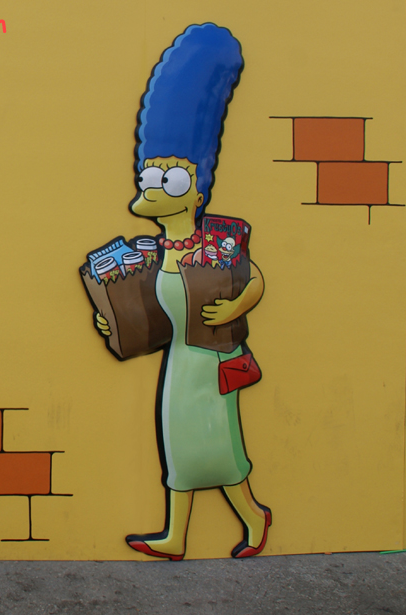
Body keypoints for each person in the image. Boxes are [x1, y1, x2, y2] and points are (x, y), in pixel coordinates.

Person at [94, 24, 271, 560]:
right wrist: (115, 321)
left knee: (219, 446)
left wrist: (238, 304)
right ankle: (175, 536)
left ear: (195, 191)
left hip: (214, 361)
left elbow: (256, 278)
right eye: (151, 179)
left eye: (169, 180)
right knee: (179, 448)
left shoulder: (218, 241)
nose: (153, 189)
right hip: (179, 363)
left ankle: (253, 516)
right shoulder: (151, 254)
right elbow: (150, 313)